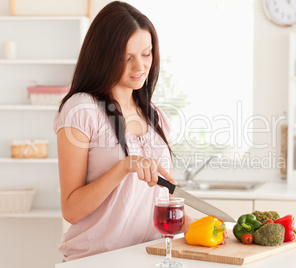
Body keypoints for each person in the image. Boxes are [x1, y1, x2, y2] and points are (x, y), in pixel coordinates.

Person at [54, 1, 192, 261]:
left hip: (149, 258)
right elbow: (71, 210)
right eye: (126, 58)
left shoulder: (156, 116)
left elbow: (168, 197)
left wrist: (206, 228)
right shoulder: (81, 109)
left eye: (146, 54)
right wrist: (123, 167)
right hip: (96, 261)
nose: (140, 67)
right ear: (103, 56)